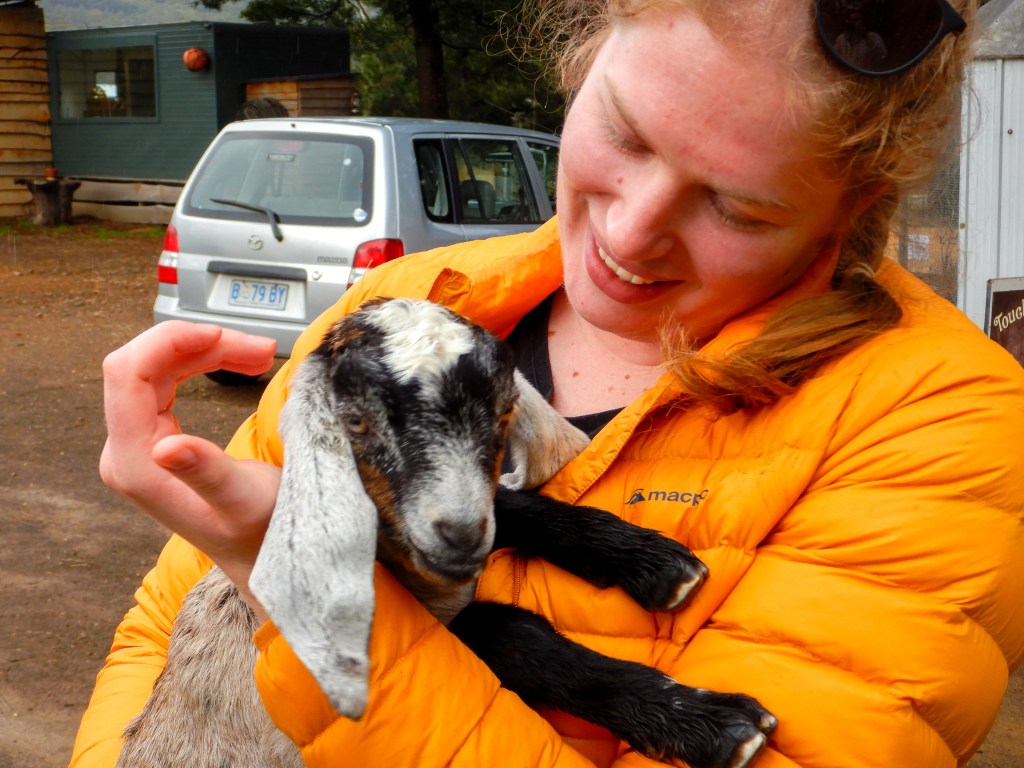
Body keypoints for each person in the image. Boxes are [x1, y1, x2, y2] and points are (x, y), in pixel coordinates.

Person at [71, 0, 1024, 766]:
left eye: (737, 205)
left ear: (854, 201)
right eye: (625, 133)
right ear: (581, 60)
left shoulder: (941, 423)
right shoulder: (413, 300)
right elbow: (161, 634)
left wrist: (294, 586)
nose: (630, 233)